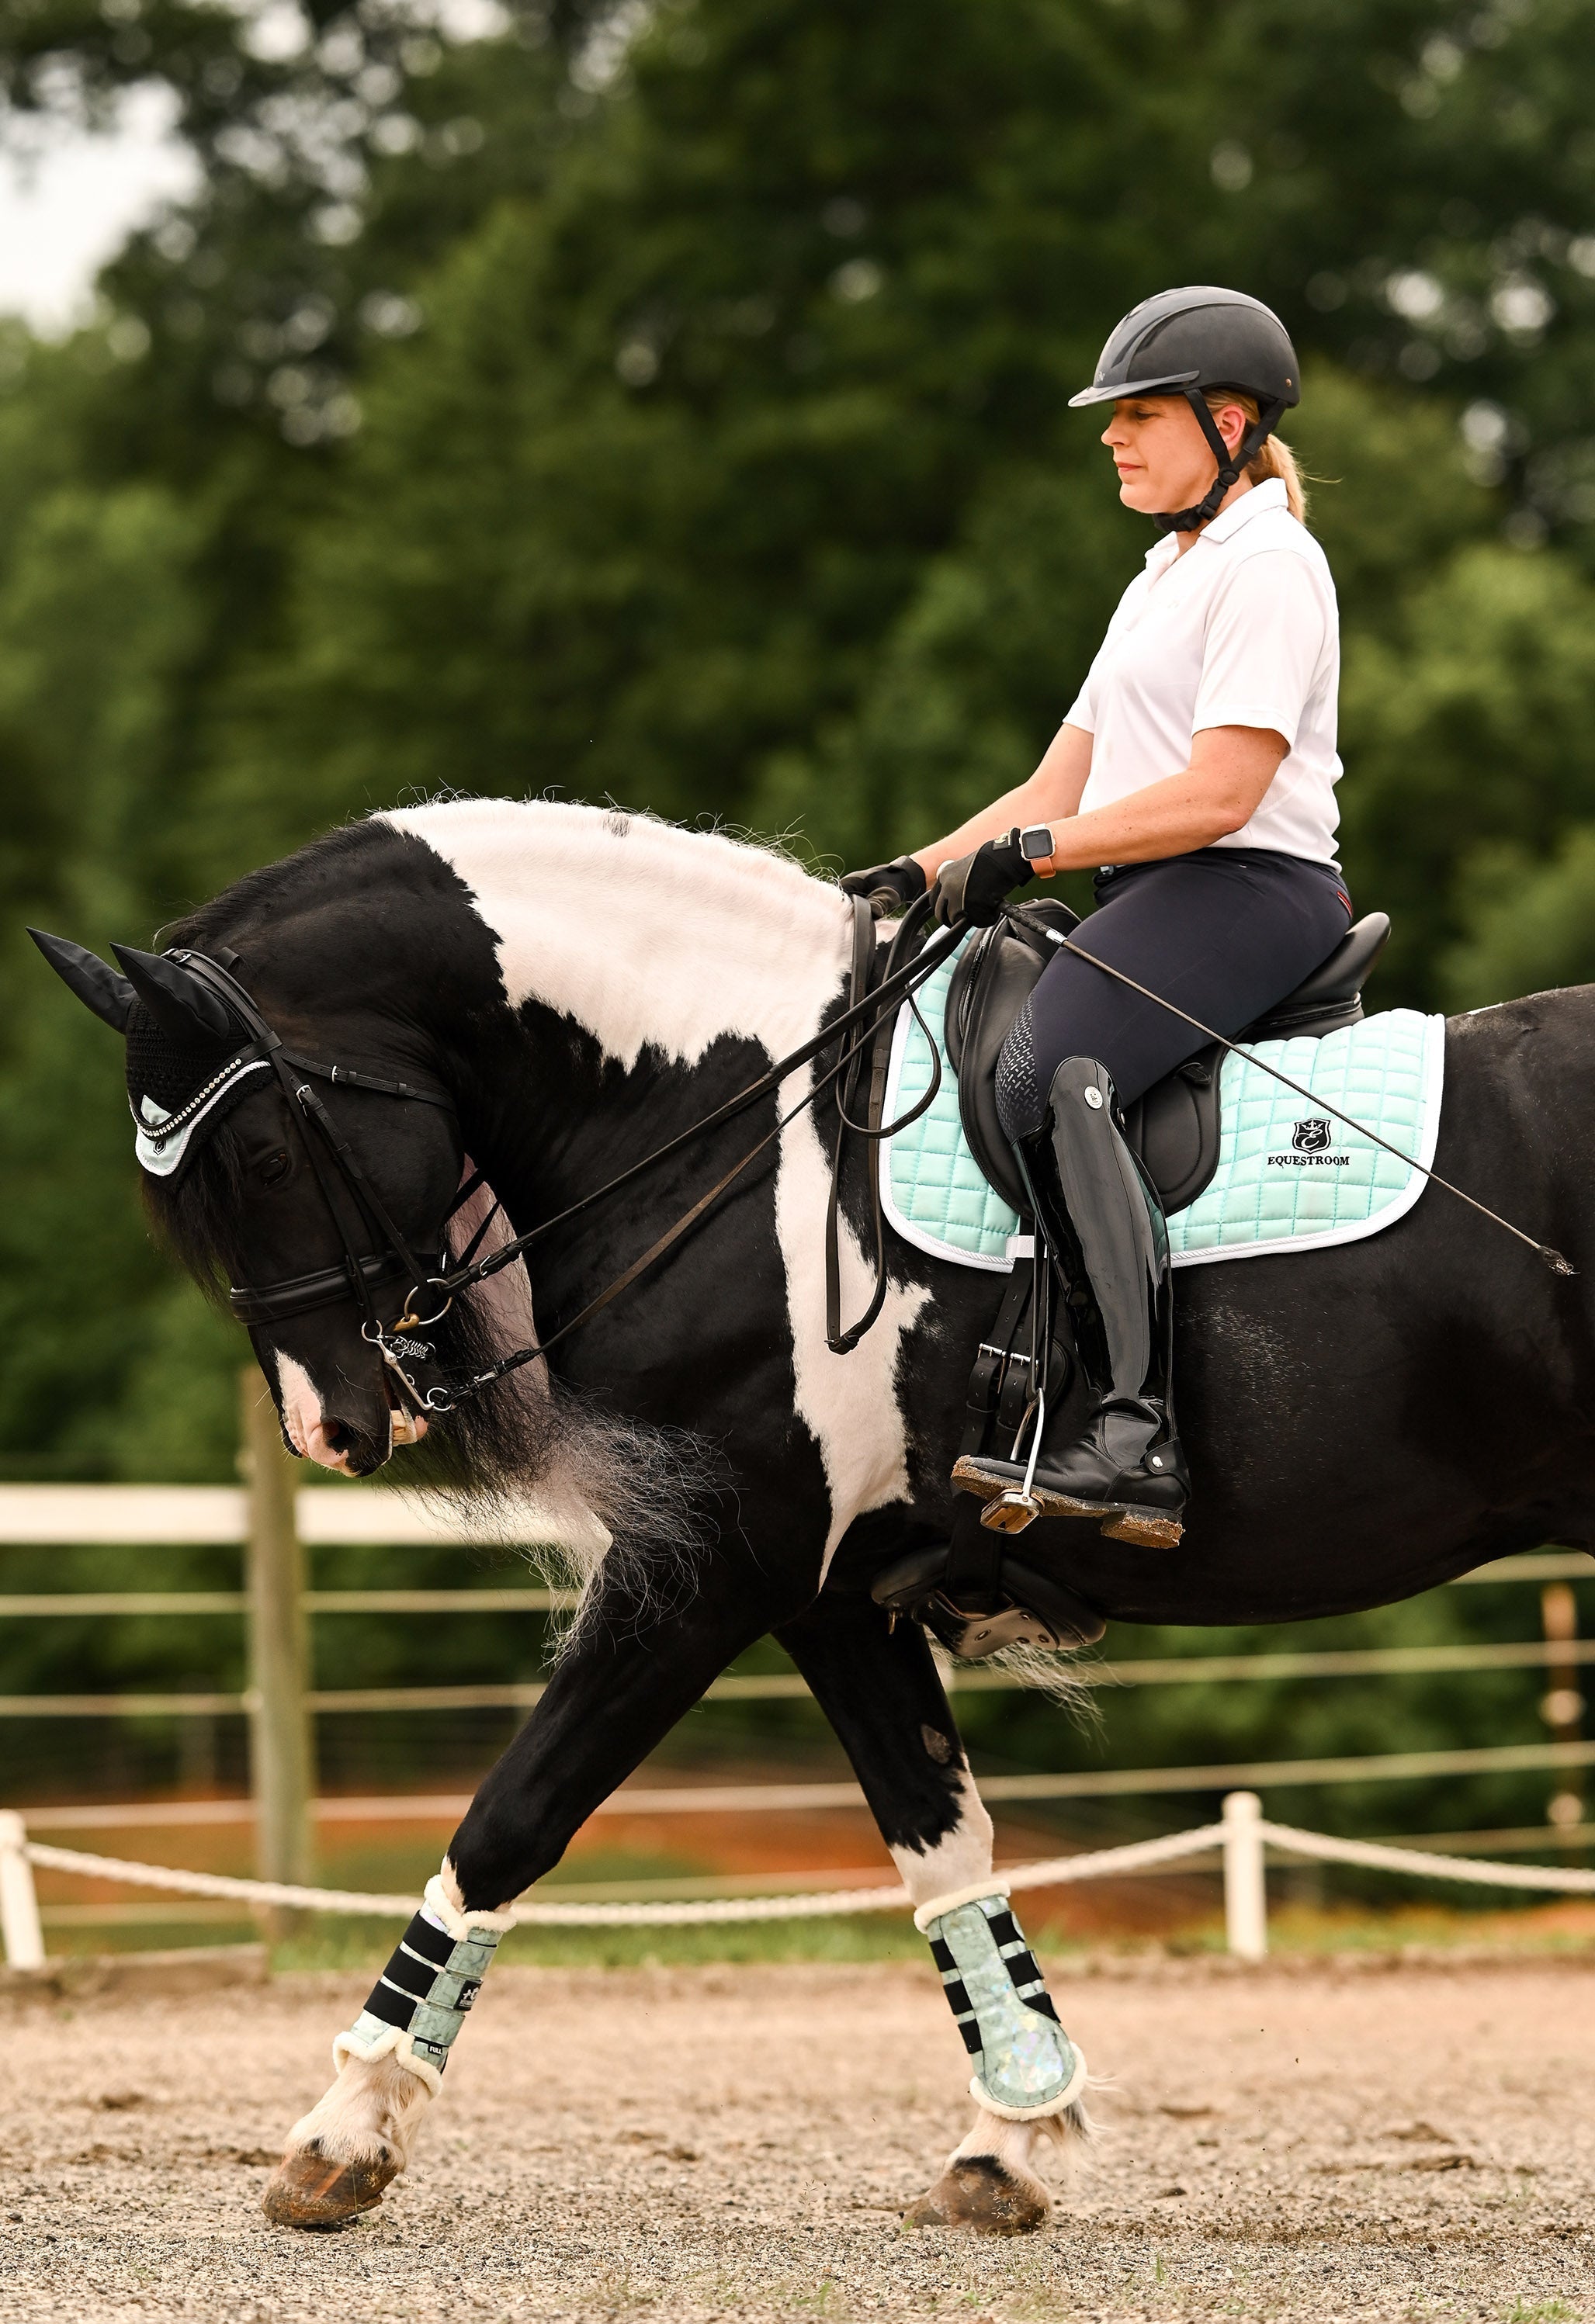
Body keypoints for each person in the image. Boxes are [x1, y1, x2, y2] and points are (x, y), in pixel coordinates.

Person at [842, 286, 1352, 1548]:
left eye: (1139, 416)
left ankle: (1133, 1430)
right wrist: (904, 878)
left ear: (1229, 423)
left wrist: (1035, 856)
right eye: (1111, 420)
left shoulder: (1270, 564)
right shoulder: (1159, 574)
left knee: (1048, 1072)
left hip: (1249, 886)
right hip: (1157, 883)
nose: (1112, 439)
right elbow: (1055, 784)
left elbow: (1224, 790)